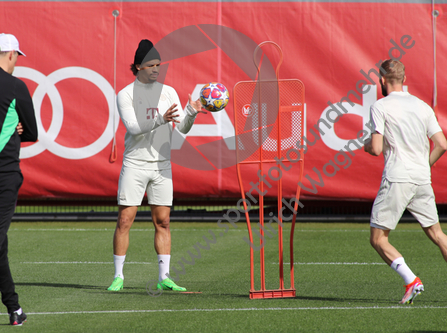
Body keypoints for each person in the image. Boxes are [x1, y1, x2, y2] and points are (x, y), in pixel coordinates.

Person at [107, 39, 203, 292]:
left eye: (158, 64)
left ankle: (164, 278)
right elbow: (133, 128)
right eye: (150, 65)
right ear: (138, 66)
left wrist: (190, 112)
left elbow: (181, 127)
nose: (156, 69)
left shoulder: (168, 91)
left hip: (162, 166)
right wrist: (161, 119)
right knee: (125, 220)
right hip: (135, 164)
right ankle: (118, 277)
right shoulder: (125, 94)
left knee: (163, 221)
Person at [364, 59, 447, 304]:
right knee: (438, 235)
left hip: (398, 177)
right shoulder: (422, 106)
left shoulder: (381, 106)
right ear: (404, 80)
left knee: (378, 239)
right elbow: (442, 144)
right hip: (422, 178)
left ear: (381, 80)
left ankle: (411, 281)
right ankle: (412, 282)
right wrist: (424, 165)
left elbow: (377, 149)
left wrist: (367, 146)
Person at [0, 33, 38, 325]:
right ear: (11, 55)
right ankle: (14, 309)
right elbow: (33, 133)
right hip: (5, 175)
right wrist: (17, 130)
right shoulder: (15, 86)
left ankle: (14, 309)